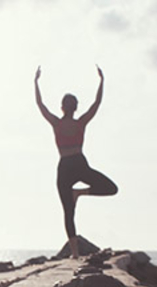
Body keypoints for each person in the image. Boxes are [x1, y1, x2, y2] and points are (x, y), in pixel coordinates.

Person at [35, 65, 118, 259]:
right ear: (75, 107)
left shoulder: (56, 123)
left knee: (68, 211)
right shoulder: (80, 123)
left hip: (65, 166)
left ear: (62, 107)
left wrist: (36, 82)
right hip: (79, 164)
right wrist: (102, 82)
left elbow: (40, 105)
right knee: (111, 188)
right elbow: (96, 104)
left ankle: (75, 254)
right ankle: (80, 193)